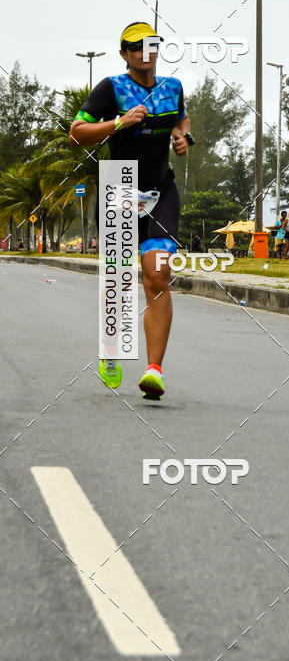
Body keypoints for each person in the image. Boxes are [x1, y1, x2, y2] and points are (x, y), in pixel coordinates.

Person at [69, 21, 192, 399]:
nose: (144, 51)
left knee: (157, 274)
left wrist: (183, 137)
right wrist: (118, 122)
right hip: (119, 185)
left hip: (161, 190)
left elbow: (181, 119)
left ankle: (154, 370)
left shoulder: (172, 87)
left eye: (151, 44)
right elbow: (76, 133)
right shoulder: (111, 88)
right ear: (123, 53)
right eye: (134, 46)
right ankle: (112, 351)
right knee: (119, 283)